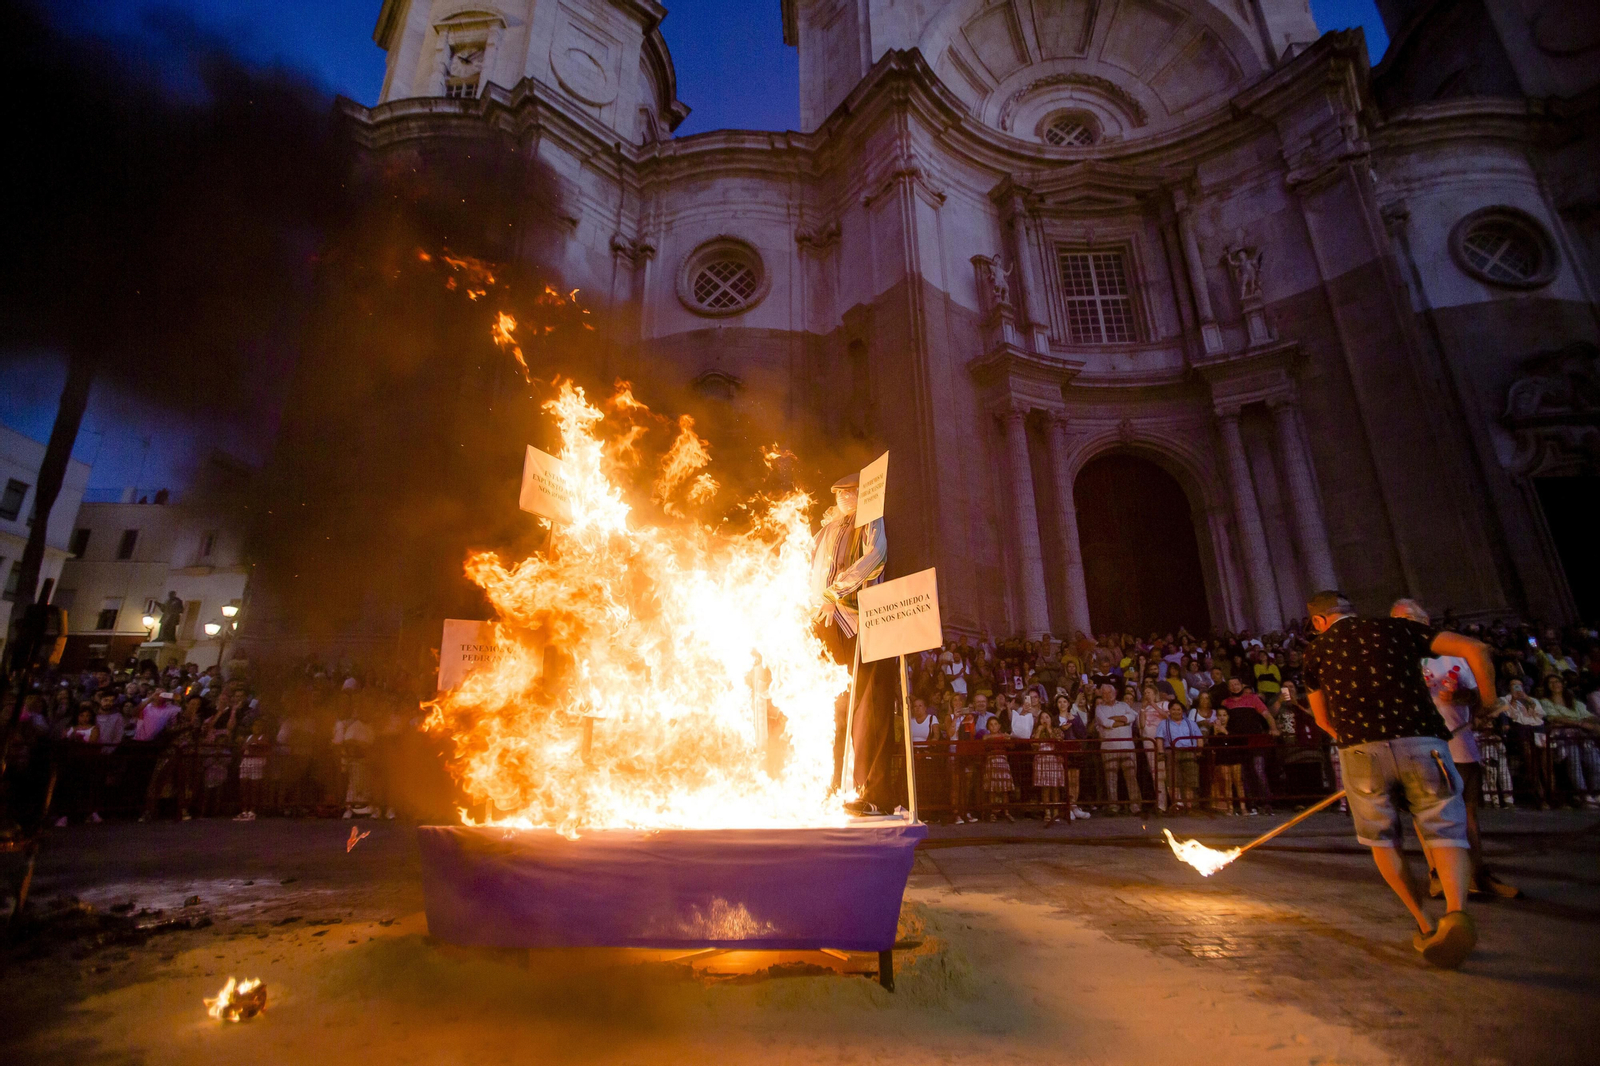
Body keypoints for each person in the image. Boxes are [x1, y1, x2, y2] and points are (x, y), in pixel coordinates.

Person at [1302, 590, 1495, 968]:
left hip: (1360, 749)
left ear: (1319, 622)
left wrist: (1352, 738)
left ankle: (1424, 926)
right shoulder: (1398, 630)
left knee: (1383, 840)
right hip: (1422, 740)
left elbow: (1323, 718)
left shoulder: (1316, 652)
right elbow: (1478, 650)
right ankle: (1455, 913)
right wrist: (1487, 703)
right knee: (1445, 829)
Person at [1391, 599, 1520, 899]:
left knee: (1466, 813)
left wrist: (1461, 695)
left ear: (1424, 621)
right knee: (1425, 815)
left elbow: (1478, 696)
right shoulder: (1393, 659)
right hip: (1416, 745)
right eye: (1396, 620)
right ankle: (1438, 875)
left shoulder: (1449, 654)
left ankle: (1478, 874)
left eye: (1408, 618)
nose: (1402, 625)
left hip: (1458, 743)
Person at [1221, 677, 1278, 815]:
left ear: (1241, 685)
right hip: (1237, 742)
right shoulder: (1226, 703)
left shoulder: (1252, 699)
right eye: (1231, 685)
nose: (1234, 687)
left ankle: (1266, 802)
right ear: (1229, 688)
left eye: (1236, 684)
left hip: (1255, 740)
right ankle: (1250, 804)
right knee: (1243, 775)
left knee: (1258, 770)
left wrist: (1274, 728)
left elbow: (1267, 715)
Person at [1094, 683, 1141, 814]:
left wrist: (1117, 719)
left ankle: (1135, 806)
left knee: (1132, 777)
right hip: (1109, 748)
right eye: (1105, 693)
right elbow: (1105, 722)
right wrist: (1124, 720)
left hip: (1127, 746)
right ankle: (1113, 806)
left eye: (1110, 693)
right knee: (1111, 778)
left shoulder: (1124, 705)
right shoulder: (1099, 708)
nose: (1107, 695)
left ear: (1115, 693)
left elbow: (1133, 716)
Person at [1156, 701, 1204, 811]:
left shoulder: (1191, 723)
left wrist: (1199, 750)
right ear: (1169, 711)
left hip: (1189, 752)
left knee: (1190, 780)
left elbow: (1199, 737)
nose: (1176, 712)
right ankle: (1177, 805)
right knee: (1173, 780)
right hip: (1172, 752)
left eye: (1178, 709)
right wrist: (1161, 753)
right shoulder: (1164, 724)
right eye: (1173, 709)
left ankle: (1189, 806)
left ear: (1182, 711)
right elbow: (1159, 738)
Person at [1058, 692, 1091, 820]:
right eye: (1059, 702)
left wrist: (1073, 722)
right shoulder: (1055, 718)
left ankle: (1074, 805)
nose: (1062, 704)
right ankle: (1066, 806)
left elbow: (1082, 734)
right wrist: (1061, 730)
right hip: (1060, 753)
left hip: (1074, 753)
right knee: (1064, 780)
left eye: (1064, 702)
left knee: (1074, 780)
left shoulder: (1075, 718)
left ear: (1068, 704)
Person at [1137, 683, 1170, 813]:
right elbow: (1141, 725)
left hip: (1162, 742)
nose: (1147, 695)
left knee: (1166, 773)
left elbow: (1167, 717)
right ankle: (1161, 804)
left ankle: (1175, 802)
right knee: (1155, 773)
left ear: (1155, 694)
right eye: (1145, 693)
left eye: (1149, 693)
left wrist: (1154, 704)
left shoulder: (1164, 704)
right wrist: (1143, 709)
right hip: (1148, 743)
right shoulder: (1143, 708)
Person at [1032, 710, 1066, 825]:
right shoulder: (1037, 730)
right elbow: (1034, 745)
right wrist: (1039, 731)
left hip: (1054, 759)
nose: (1044, 720)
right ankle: (1047, 812)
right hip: (1042, 760)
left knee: (1055, 788)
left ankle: (1055, 812)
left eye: (1047, 717)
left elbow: (1058, 742)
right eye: (1042, 718)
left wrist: (1049, 730)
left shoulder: (1057, 730)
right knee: (1045, 788)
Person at [981, 715, 1015, 822]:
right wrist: (1000, 736)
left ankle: (1006, 812)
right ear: (988, 727)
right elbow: (984, 739)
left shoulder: (1004, 736)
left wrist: (1007, 738)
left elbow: (1012, 745)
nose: (994, 726)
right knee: (992, 789)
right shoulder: (987, 736)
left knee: (1005, 788)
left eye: (996, 724)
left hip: (1003, 761)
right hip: (991, 761)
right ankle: (993, 813)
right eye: (991, 725)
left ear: (999, 725)